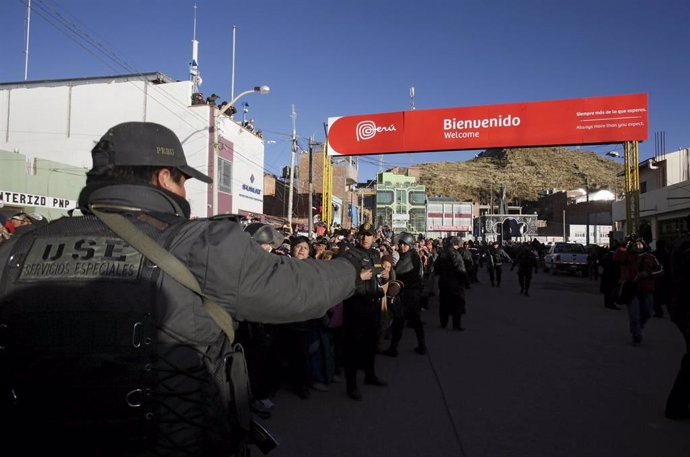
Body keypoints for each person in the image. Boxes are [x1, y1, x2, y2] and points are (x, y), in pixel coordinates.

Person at [0, 121, 357, 456]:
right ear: (164, 176)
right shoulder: (201, 244)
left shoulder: (18, 248)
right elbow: (300, 291)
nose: (186, 190)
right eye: (183, 180)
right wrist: (352, 267)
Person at [341, 223, 388, 400]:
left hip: (372, 304)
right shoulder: (349, 255)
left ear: (374, 237)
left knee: (371, 343)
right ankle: (351, 385)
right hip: (356, 305)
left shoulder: (375, 254)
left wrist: (383, 275)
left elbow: (376, 274)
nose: (365, 238)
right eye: (362, 234)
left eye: (368, 235)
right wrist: (358, 278)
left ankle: (370, 375)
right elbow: (341, 278)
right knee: (353, 346)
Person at [382, 231, 427, 356]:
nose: (402, 246)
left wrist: (391, 268)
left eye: (405, 244)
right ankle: (395, 347)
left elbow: (400, 271)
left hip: (410, 292)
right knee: (403, 320)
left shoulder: (411, 256)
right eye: (400, 244)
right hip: (407, 292)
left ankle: (417, 345)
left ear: (410, 244)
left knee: (405, 320)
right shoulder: (406, 255)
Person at [613, 236, 664, 346]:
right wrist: (624, 244)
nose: (637, 247)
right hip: (631, 290)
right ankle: (636, 335)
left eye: (639, 244)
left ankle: (638, 327)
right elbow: (616, 256)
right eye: (635, 244)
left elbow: (660, 270)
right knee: (634, 315)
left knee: (647, 312)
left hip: (647, 289)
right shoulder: (627, 256)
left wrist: (648, 274)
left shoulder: (650, 257)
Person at [665, 214, 690, 420]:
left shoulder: (680, 247)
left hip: (681, 307)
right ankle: (676, 406)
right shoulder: (685, 250)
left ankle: (677, 405)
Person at [433, 236, 467, 330]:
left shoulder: (442, 253)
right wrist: (464, 280)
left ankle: (443, 322)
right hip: (454, 283)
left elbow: (436, 267)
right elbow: (460, 268)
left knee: (443, 302)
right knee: (457, 303)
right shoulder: (455, 254)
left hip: (443, 281)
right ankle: (456, 325)